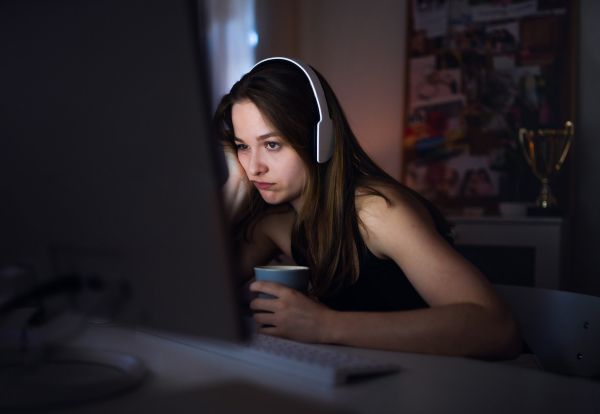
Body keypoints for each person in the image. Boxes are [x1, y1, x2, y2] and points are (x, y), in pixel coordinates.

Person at [214, 57, 522, 359]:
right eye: (242, 146)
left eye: (272, 144)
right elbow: (189, 289)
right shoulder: (275, 223)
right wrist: (235, 188)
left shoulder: (378, 211)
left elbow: (498, 328)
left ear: (322, 139)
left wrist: (326, 325)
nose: (253, 168)